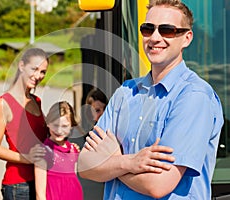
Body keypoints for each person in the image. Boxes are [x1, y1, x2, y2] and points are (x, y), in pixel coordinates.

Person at [78, 0, 224, 199]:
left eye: (167, 30)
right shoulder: (125, 93)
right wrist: (129, 163)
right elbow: (84, 165)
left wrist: (112, 161)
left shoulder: (194, 97)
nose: (155, 38)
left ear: (187, 38)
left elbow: (158, 185)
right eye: (148, 29)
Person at [0, 48, 49, 200]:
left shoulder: (36, 101)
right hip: (18, 186)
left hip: (40, 180)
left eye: (42, 72)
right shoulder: (3, 103)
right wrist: (26, 158)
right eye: (34, 69)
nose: (38, 76)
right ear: (22, 66)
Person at [35, 101, 83, 200]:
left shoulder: (73, 150)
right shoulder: (43, 152)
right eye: (55, 125)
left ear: (71, 126)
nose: (59, 130)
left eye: (64, 126)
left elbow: (73, 179)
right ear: (48, 123)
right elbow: (40, 194)